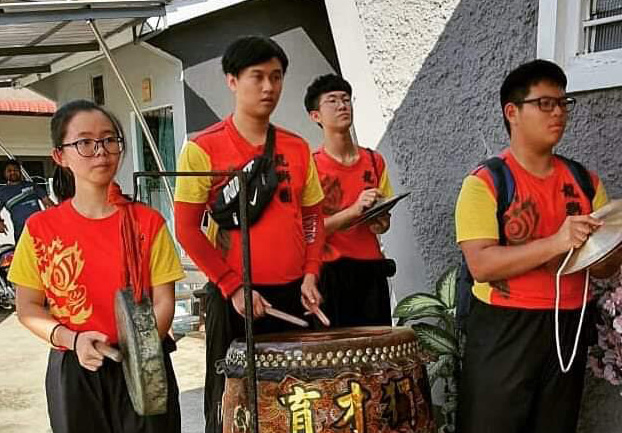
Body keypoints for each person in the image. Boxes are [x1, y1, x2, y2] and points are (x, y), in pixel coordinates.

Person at [455, 59, 621, 433]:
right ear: (512, 112)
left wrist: (611, 244)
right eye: (545, 103)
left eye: (563, 103)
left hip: (568, 322)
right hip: (506, 326)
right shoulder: (486, 182)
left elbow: (605, 266)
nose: (558, 112)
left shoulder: (585, 181)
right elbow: (481, 264)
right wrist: (557, 243)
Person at [173, 36, 325, 433]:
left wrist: (311, 273)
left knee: (295, 402)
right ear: (232, 80)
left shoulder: (297, 147)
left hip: (292, 295)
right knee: (231, 404)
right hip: (233, 299)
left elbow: (313, 217)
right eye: (257, 76)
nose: (268, 87)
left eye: (276, 76)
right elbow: (186, 229)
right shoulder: (202, 148)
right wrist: (232, 285)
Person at [8, 100, 185, 433]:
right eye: (85, 142)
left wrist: (140, 349)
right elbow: (28, 307)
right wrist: (72, 340)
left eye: (109, 139)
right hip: (75, 367)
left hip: (145, 363)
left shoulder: (147, 223)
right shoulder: (40, 229)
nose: (100, 151)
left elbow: (164, 301)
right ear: (60, 156)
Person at [304, 74, 394, 327]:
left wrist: (380, 221)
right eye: (332, 101)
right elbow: (307, 231)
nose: (342, 106)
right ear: (315, 115)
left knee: (378, 346)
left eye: (346, 99)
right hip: (330, 271)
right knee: (336, 348)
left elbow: (384, 224)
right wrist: (354, 211)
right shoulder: (310, 167)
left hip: (372, 269)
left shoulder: (374, 160)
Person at [0, 159, 54, 242]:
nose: (13, 172)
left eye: (15, 170)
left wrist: (55, 218)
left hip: (40, 229)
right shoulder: (2, 192)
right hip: (21, 233)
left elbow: (48, 203)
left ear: (20, 171)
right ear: (5, 173)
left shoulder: (32, 186)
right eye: (9, 171)